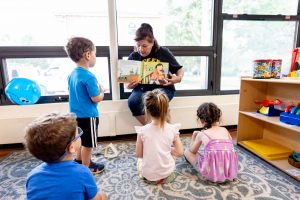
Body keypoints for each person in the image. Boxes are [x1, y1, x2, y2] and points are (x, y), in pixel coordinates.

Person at [25, 112, 107, 200]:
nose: (80, 136)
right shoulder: (83, 173)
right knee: (102, 195)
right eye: (78, 134)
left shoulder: (32, 176)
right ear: (71, 147)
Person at [127, 23, 184, 125]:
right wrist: (130, 85)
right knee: (133, 102)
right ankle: (152, 129)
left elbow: (179, 69)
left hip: (164, 88)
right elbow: (128, 82)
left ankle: (167, 131)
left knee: (157, 101)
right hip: (141, 89)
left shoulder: (163, 52)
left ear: (152, 42)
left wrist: (178, 78)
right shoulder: (134, 56)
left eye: (144, 46)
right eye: (138, 45)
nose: (141, 49)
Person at [65, 37, 105, 173]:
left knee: (80, 140)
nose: (95, 57)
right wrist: (102, 93)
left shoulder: (72, 74)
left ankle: (79, 160)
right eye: (95, 54)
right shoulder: (89, 76)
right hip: (89, 116)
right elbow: (95, 98)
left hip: (75, 115)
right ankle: (85, 170)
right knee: (88, 145)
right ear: (88, 55)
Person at [135, 89, 184, 184]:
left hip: (149, 177)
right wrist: (167, 149)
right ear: (167, 110)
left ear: (146, 110)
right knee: (171, 154)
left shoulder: (142, 132)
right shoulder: (173, 129)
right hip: (168, 176)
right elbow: (180, 152)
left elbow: (139, 154)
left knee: (139, 161)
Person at [184, 102, 238, 182]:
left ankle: (209, 170)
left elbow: (192, 151)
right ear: (218, 117)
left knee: (186, 152)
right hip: (229, 172)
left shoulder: (202, 134)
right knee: (215, 153)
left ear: (201, 119)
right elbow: (229, 149)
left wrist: (194, 137)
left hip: (211, 174)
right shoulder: (225, 130)